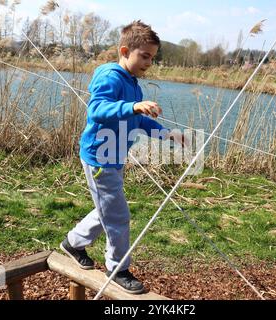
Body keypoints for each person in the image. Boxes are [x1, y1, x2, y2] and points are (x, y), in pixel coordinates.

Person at [60, 20, 187, 294]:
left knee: (108, 208)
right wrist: (132, 106)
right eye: (144, 56)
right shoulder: (110, 76)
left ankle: (73, 243)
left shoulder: (134, 85)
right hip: (99, 158)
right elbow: (97, 109)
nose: (149, 63)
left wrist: (167, 135)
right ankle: (117, 268)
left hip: (114, 157)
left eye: (152, 57)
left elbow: (139, 121)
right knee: (118, 216)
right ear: (125, 50)